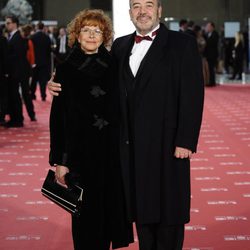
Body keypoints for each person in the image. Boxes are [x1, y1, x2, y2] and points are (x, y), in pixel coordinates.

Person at [48, 1, 204, 249]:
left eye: (149, 5)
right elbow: (91, 78)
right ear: (130, 12)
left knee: (168, 216)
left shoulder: (182, 44)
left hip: (167, 147)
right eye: (136, 6)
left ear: (159, 10)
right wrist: (55, 83)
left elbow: (193, 95)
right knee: (141, 213)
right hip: (128, 150)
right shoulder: (120, 46)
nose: (143, 11)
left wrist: (185, 140)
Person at [49, 9, 133, 250]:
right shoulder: (65, 68)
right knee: (84, 217)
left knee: (109, 215)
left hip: (112, 153)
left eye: (97, 30)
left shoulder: (115, 65)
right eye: (86, 30)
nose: (92, 35)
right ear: (77, 34)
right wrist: (60, 161)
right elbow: (58, 120)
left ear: (104, 35)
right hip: (80, 156)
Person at [5, 15, 30, 127]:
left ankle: (18, 119)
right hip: (14, 71)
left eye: (8, 23)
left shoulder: (17, 37)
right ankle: (15, 118)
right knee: (13, 95)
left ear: (15, 24)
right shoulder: (13, 36)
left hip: (16, 71)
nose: (6, 25)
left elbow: (17, 56)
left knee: (15, 96)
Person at [30, 21, 52, 101]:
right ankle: (43, 95)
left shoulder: (32, 37)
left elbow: (30, 50)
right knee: (43, 81)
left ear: (36, 27)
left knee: (34, 80)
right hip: (44, 62)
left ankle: (32, 95)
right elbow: (49, 50)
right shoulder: (47, 37)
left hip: (35, 62)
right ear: (43, 27)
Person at [204, 21, 219, 87]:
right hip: (208, 54)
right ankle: (210, 81)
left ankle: (212, 82)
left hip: (212, 55)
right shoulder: (208, 34)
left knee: (211, 68)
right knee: (209, 69)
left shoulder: (215, 34)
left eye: (208, 26)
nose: (207, 28)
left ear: (212, 27)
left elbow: (211, 43)